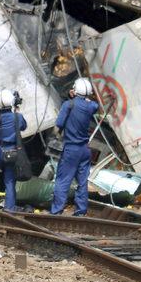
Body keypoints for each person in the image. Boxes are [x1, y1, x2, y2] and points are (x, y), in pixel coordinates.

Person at [50, 77, 99, 217]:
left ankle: (56, 211)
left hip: (71, 149)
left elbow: (57, 126)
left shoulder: (68, 105)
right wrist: (85, 98)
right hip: (85, 150)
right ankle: (80, 212)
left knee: (63, 180)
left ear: (74, 90)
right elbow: (94, 105)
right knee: (82, 182)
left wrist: (56, 138)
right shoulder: (91, 106)